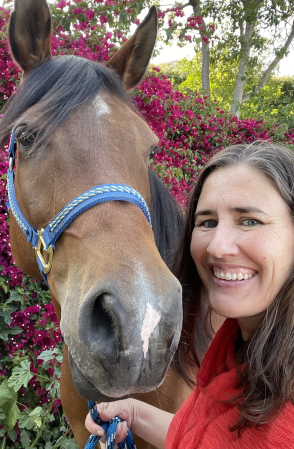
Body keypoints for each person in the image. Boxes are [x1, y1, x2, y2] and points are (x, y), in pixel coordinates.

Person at [85, 143, 294, 448]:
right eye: (207, 222)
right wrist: (133, 413)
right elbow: (208, 438)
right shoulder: (239, 346)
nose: (218, 247)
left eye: (250, 221)